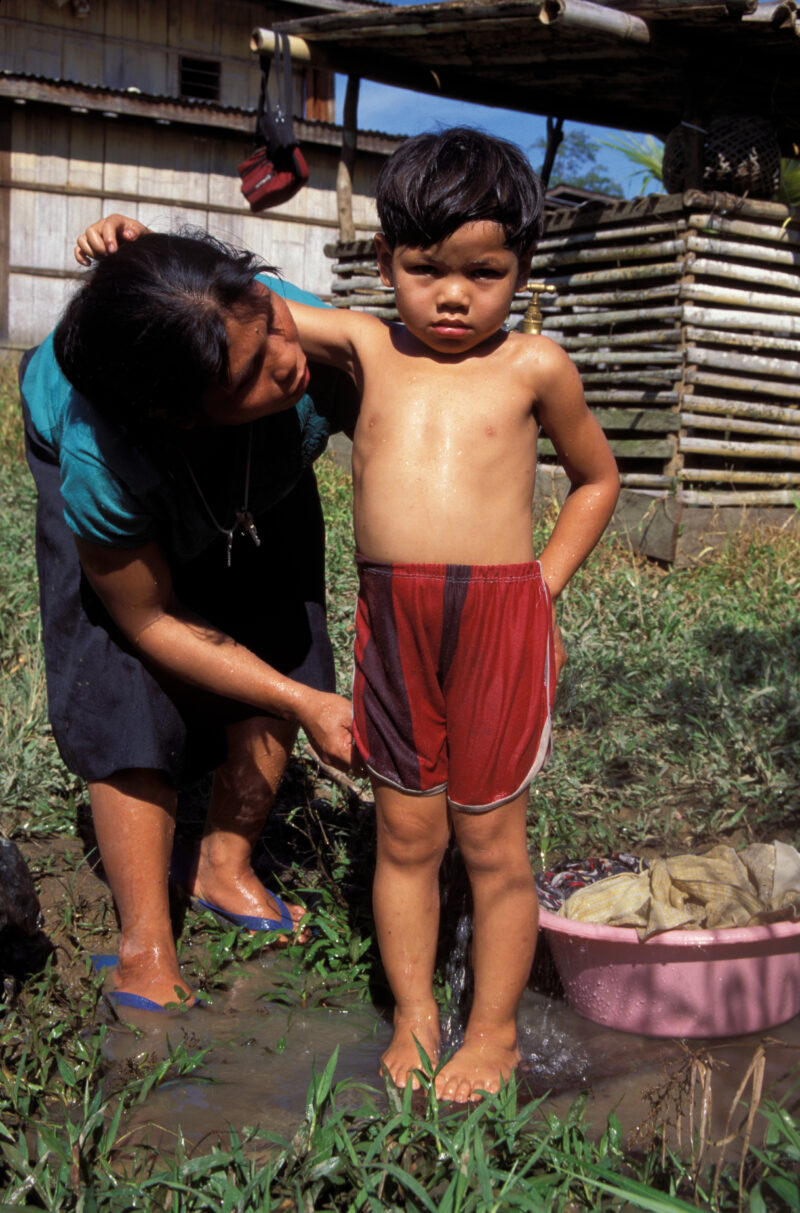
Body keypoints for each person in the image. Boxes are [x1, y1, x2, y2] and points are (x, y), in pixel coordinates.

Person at [77, 127, 620, 1098]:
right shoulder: (367, 343)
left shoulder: (536, 367)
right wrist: (138, 250)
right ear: (384, 261)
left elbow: (595, 478)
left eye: (484, 272)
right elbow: (223, 303)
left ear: (522, 267)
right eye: (424, 269)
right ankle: (415, 1016)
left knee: (493, 841)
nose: (452, 296)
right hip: (394, 622)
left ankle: (490, 1031)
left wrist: (541, 583)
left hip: (498, 619)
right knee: (406, 835)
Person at [20, 229, 359, 1013]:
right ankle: (144, 944)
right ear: (180, 414)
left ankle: (223, 864)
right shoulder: (103, 457)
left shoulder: (293, 335)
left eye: (271, 315)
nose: (286, 356)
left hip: (251, 471)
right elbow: (149, 621)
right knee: (120, 680)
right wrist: (305, 708)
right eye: (250, 372)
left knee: (283, 627)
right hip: (130, 499)